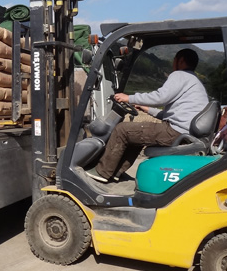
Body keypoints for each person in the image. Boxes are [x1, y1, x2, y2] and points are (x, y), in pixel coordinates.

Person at [86, 48, 209, 183]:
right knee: (137, 133)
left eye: (174, 60)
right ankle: (117, 171)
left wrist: (129, 98)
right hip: (184, 131)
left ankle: (102, 172)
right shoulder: (193, 81)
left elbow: (161, 97)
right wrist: (146, 109)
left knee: (122, 129)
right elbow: (170, 114)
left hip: (176, 132)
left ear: (180, 61)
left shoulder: (180, 75)